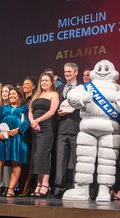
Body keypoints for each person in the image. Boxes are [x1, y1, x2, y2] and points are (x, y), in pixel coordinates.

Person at [0, 87, 29, 197]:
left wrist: (18, 130)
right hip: (2, 138)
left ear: (20, 96)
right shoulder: (3, 108)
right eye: (10, 94)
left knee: (16, 163)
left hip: (17, 138)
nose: (11, 96)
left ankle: (11, 189)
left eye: (14, 94)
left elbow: (26, 122)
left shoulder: (24, 109)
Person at [53, 62, 82, 198]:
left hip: (76, 127)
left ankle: (77, 187)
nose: (67, 74)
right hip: (62, 128)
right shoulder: (60, 89)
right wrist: (58, 113)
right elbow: (57, 107)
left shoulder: (81, 88)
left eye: (69, 72)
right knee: (61, 159)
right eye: (65, 72)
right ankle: (59, 188)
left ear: (76, 73)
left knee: (77, 159)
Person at [28, 71, 59, 197]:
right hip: (35, 128)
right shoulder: (37, 95)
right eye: (42, 80)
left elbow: (52, 112)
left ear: (51, 82)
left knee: (43, 155)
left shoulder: (54, 94)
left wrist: (37, 121)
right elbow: (30, 111)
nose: (44, 82)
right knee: (36, 157)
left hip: (47, 128)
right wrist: (32, 122)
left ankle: (45, 184)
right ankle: (39, 184)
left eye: (46, 80)